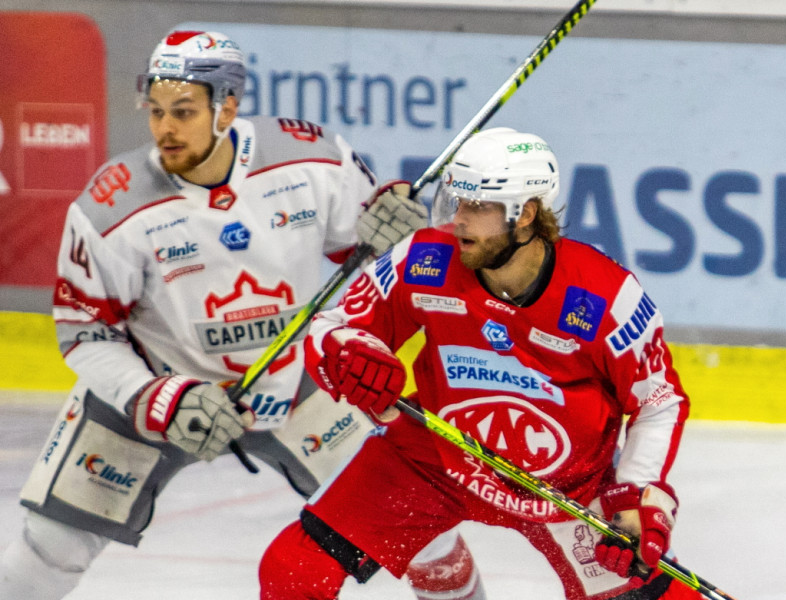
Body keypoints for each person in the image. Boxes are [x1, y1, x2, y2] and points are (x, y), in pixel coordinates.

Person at [0, 30, 486, 600]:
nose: (165, 129)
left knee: (423, 531)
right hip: (155, 387)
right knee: (48, 549)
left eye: (183, 112)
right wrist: (160, 397)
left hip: (296, 381)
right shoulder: (113, 206)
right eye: (156, 111)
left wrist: (401, 236)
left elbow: (386, 247)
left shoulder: (314, 161)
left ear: (226, 106)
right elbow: (86, 334)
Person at [255, 128, 698, 600]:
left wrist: (638, 494)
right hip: (436, 457)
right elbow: (335, 326)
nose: (458, 220)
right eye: (455, 201)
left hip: (567, 487)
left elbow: (658, 400)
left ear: (525, 214)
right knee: (293, 570)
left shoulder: (605, 297)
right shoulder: (425, 257)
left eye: (477, 207)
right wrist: (349, 351)